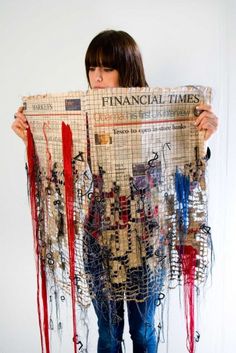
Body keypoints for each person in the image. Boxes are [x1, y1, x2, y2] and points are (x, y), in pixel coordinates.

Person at [12, 30, 218, 353]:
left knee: (143, 330)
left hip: (149, 242)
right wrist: (32, 141)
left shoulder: (159, 114)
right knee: (108, 334)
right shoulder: (83, 116)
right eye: (92, 68)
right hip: (98, 240)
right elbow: (63, 178)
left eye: (107, 68)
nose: (97, 77)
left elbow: (183, 176)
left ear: (127, 68)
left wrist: (201, 142)